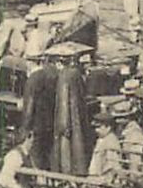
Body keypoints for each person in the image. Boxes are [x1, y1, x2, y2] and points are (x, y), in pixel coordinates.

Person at [52, 47, 93, 176]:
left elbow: (64, 100)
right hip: (77, 118)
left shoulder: (64, 75)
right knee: (78, 150)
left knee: (66, 152)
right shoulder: (76, 75)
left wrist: (64, 124)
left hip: (68, 120)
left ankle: (67, 177)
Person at [19, 51, 57, 171]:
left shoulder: (32, 79)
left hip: (37, 123)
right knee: (48, 152)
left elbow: (29, 105)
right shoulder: (51, 75)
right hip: (50, 121)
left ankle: (40, 179)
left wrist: (25, 127)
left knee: (37, 154)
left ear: (29, 63)